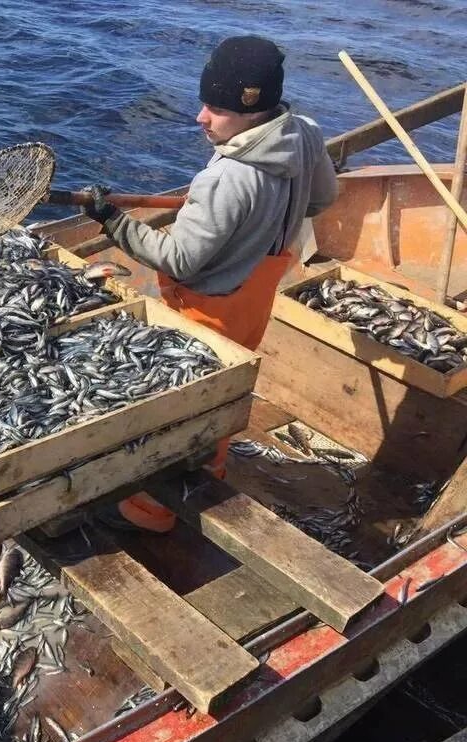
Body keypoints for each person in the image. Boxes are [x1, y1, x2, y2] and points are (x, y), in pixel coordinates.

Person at [82, 35, 338, 533]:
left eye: (216, 108)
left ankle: (151, 511)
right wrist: (261, 226)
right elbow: (322, 197)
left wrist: (112, 220)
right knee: (223, 394)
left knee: (173, 407)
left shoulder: (225, 180)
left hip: (207, 309)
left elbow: (178, 259)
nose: (201, 117)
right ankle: (212, 469)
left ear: (250, 109)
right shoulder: (304, 133)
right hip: (256, 297)